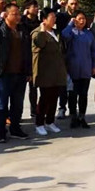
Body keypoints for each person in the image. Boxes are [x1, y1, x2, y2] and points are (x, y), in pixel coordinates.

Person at [0, 3, 32, 143]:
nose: (18, 16)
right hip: (4, 73)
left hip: (20, 73)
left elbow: (28, 52)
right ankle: (1, 132)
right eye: (14, 14)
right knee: (1, 104)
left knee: (17, 104)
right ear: (6, 15)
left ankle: (15, 128)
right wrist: (0, 19)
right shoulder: (1, 29)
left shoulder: (22, 29)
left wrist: (29, 71)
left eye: (18, 14)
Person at [31, 8, 65, 136]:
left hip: (57, 70)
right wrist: (42, 30)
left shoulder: (56, 32)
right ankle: (39, 123)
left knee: (54, 97)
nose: (54, 19)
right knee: (44, 98)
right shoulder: (37, 33)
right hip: (45, 71)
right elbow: (39, 43)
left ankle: (50, 121)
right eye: (52, 17)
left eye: (55, 17)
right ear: (44, 19)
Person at [62, 10, 95, 128]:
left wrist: (94, 65)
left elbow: (94, 50)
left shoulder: (88, 34)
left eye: (83, 18)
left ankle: (82, 117)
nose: (82, 21)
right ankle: (73, 117)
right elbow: (64, 35)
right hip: (73, 69)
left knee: (83, 95)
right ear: (74, 20)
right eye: (79, 19)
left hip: (86, 69)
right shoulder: (71, 32)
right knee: (72, 94)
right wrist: (70, 24)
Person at [52, 0, 80, 119]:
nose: (73, 6)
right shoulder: (61, 16)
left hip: (76, 53)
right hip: (63, 53)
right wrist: (57, 5)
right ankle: (62, 107)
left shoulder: (80, 17)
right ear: (67, 4)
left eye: (75, 3)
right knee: (63, 82)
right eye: (71, 3)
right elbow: (47, 15)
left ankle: (73, 108)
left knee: (75, 82)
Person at [20, 0, 41, 123]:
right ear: (27, 9)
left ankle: (34, 111)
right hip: (24, 58)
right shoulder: (22, 22)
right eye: (34, 6)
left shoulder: (38, 23)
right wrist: (22, 17)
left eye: (37, 6)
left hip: (36, 58)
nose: (37, 9)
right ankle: (17, 113)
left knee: (34, 87)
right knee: (20, 89)